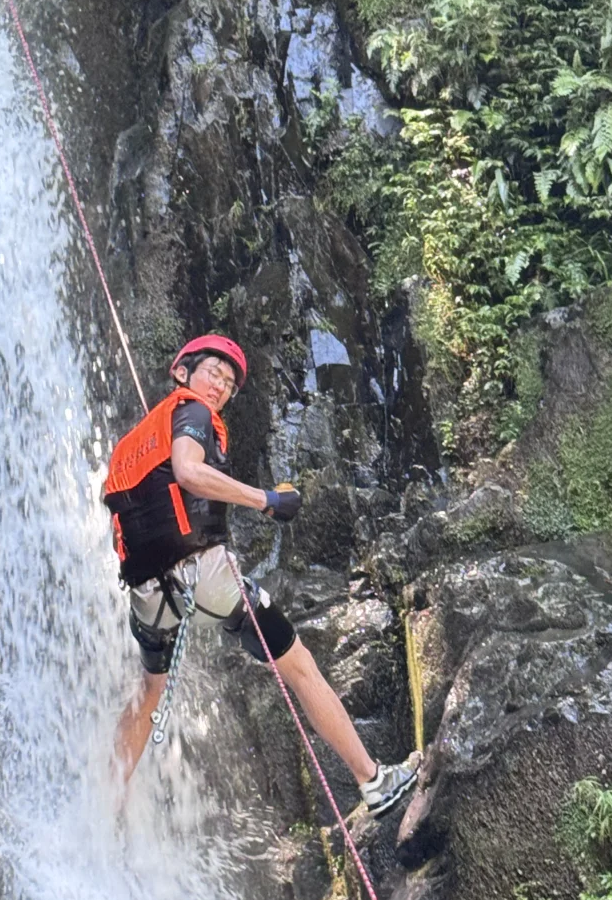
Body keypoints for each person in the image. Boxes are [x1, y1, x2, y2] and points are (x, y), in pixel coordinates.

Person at [105, 333, 420, 815]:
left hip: (148, 601)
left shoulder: (130, 446)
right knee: (296, 662)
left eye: (229, 384)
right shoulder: (191, 413)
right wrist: (267, 501)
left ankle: (104, 806)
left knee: (149, 692)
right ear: (184, 372)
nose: (220, 388)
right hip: (203, 580)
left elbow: (122, 530)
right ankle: (373, 781)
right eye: (213, 372)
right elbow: (188, 472)